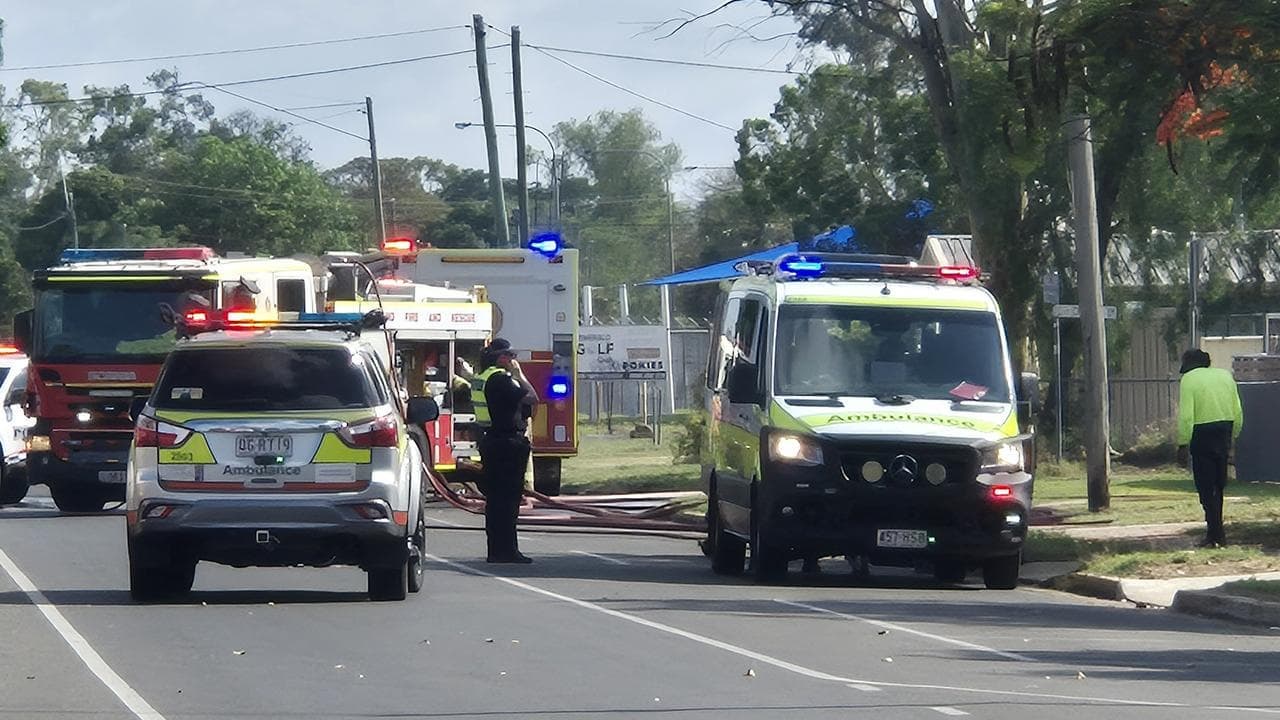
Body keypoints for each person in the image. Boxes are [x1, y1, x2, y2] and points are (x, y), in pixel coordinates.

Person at [473, 338, 538, 563]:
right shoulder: (501, 379)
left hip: (490, 441)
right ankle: (508, 550)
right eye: (510, 356)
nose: (513, 360)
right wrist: (520, 376)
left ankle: (495, 550)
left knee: (495, 501)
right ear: (501, 358)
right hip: (507, 444)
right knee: (508, 502)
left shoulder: (482, 378)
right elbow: (532, 397)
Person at [1176, 348, 1243, 547]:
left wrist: (1182, 444)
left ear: (1188, 364)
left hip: (1201, 434)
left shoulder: (1188, 379)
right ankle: (1217, 532)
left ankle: (1215, 534)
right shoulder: (1225, 376)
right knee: (1218, 485)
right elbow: (1237, 409)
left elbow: (1187, 416)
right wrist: (1234, 435)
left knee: (1205, 487)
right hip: (1224, 430)